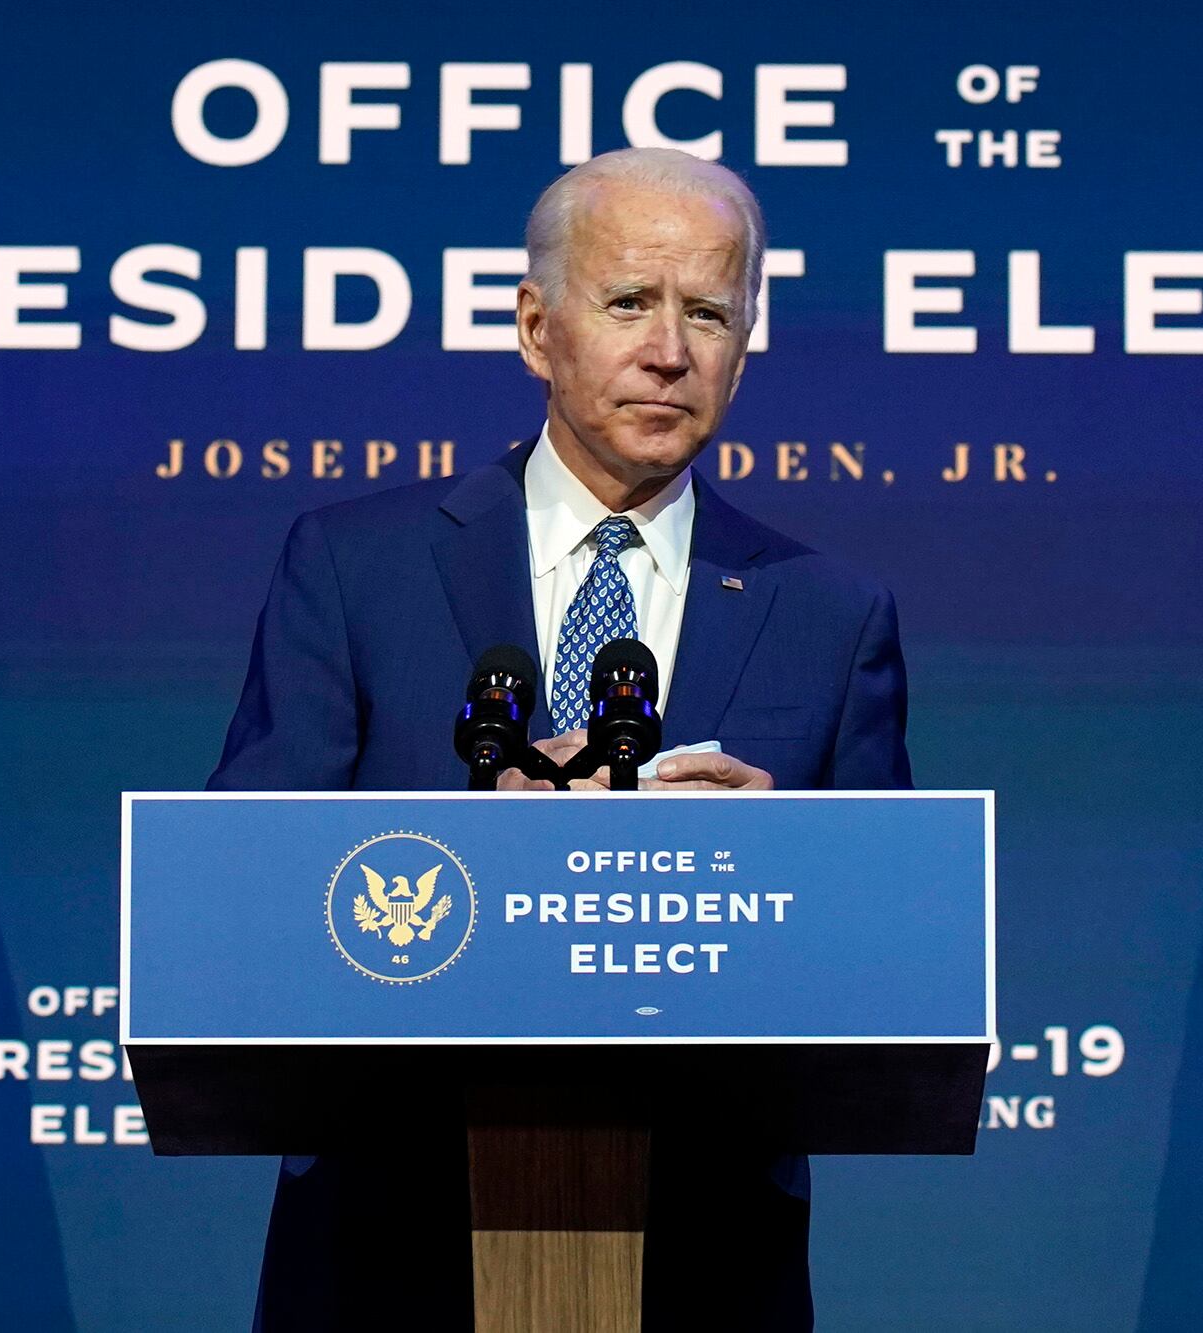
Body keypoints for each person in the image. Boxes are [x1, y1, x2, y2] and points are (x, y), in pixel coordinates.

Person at [211, 146, 911, 1331]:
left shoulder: (830, 612)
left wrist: (780, 866)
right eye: (629, 301)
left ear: (744, 348)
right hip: (389, 1244)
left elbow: (896, 967)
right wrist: (479, 849)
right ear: (536, 328)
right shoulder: (354, 565)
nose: (668, 350)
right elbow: (243, 894)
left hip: (704, 1259)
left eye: (708, 312)